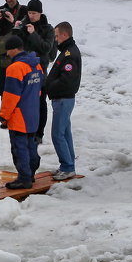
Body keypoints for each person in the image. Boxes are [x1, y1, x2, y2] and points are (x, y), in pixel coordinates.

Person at [0, 33, 43, 190]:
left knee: (19, 148)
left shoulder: (15, 68)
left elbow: (10, 96)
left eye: (8, 51)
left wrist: (4, 116)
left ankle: (24, 178)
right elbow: (38, 90)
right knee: (31, 145)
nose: (7, 54)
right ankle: (30, 174)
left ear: (13, 50)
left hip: (19, 116)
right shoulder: (36, 65)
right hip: (33, 114)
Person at [15, 0, 56, 146]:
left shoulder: (48, 29)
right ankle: (24, 130)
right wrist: (16, 29)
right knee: (23, 101)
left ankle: (39, 133)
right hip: (23, 69)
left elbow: (46, 48)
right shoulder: (23, 24)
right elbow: (15, 45)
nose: (31, 16)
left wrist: (33, 34)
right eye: (29, 13)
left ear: (40, 13)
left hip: (39, 70)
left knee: (39, 102)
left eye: (34, 13)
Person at [44, 21, 81, 181]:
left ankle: (67, 167)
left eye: (57, 36)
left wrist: (49, 86)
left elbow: (67, 80)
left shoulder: (69, 54)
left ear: (65, 35)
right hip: (63, 98)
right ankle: (68, 165)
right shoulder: (67, 50)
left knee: (57, 134)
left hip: (63, 98)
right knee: (65, 133)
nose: (56, 39)